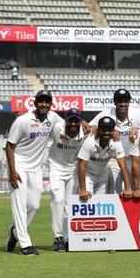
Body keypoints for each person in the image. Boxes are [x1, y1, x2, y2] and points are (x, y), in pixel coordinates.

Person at [6, 90, 63, 255]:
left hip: (36, 168)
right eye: (41, 101)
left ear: (50, 104)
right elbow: (9, 146)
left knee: (34, 205)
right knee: (19, 206)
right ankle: (25, 244)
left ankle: (15, 233)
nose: (44, 104)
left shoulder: (53, 118)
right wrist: (12, 170)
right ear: (35, 102)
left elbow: (67, 124)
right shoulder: (22, 121)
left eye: (47, 101)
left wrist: (85, 124)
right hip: (19, 166)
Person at [47, 107, 88, 251]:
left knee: (69, 204)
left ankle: (68, 238)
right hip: (56, 166)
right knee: (58, 199)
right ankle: (58, 237)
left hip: (72, 169)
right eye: (70, 121)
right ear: (65, 121)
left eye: (76, 121)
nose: (73, 124)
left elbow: (96, 128)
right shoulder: (57, 127)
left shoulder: (85, 133)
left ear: (80, 122)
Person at [90, 88, 140, 193]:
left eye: (125, 101)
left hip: (131, 158)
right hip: (113, 158)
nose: (123, 104)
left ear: (129, 102)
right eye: (120, 101)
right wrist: (109, 131)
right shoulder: (106, 113)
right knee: (115, 190)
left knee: (136, 189)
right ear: (115, 102)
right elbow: (91, 127)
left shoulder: (137, 114)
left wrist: (138, 128)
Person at [78, 117, 133, 201]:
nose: (106, 133)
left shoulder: (116, 142)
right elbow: (81, 165)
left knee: (100, 203)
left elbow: (122, 164)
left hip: (102, 175)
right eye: (103, 130)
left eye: (110, 130)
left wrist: (128, 188)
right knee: (86, 201)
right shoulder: (90, 142)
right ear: (98, 130)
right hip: (88, 175)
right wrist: (82, 190)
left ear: (113, 131)